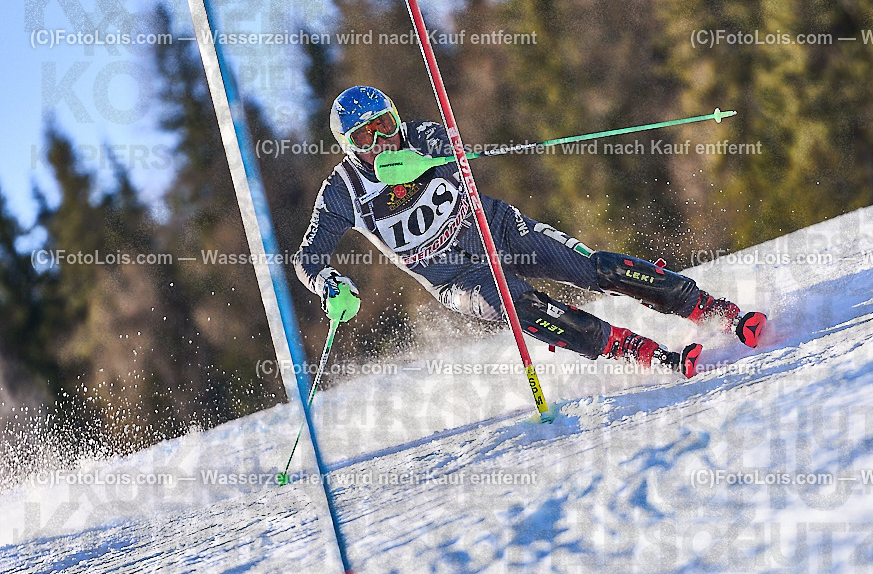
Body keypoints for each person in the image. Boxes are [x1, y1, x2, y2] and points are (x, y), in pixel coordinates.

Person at [293, 86, 766, 377]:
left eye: (385, 127)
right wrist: (329, 285)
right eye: (364, 138)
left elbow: (457, 160)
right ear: (348, 147)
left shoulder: (425, 137)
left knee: (596, 267)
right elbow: (307, 258)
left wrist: (428, 162)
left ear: (397, 120)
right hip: (457, 278)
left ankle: (709, 308)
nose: (381, 142)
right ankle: (634, 351)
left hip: (496, 228)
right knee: (521, 304)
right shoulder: (343, 191)